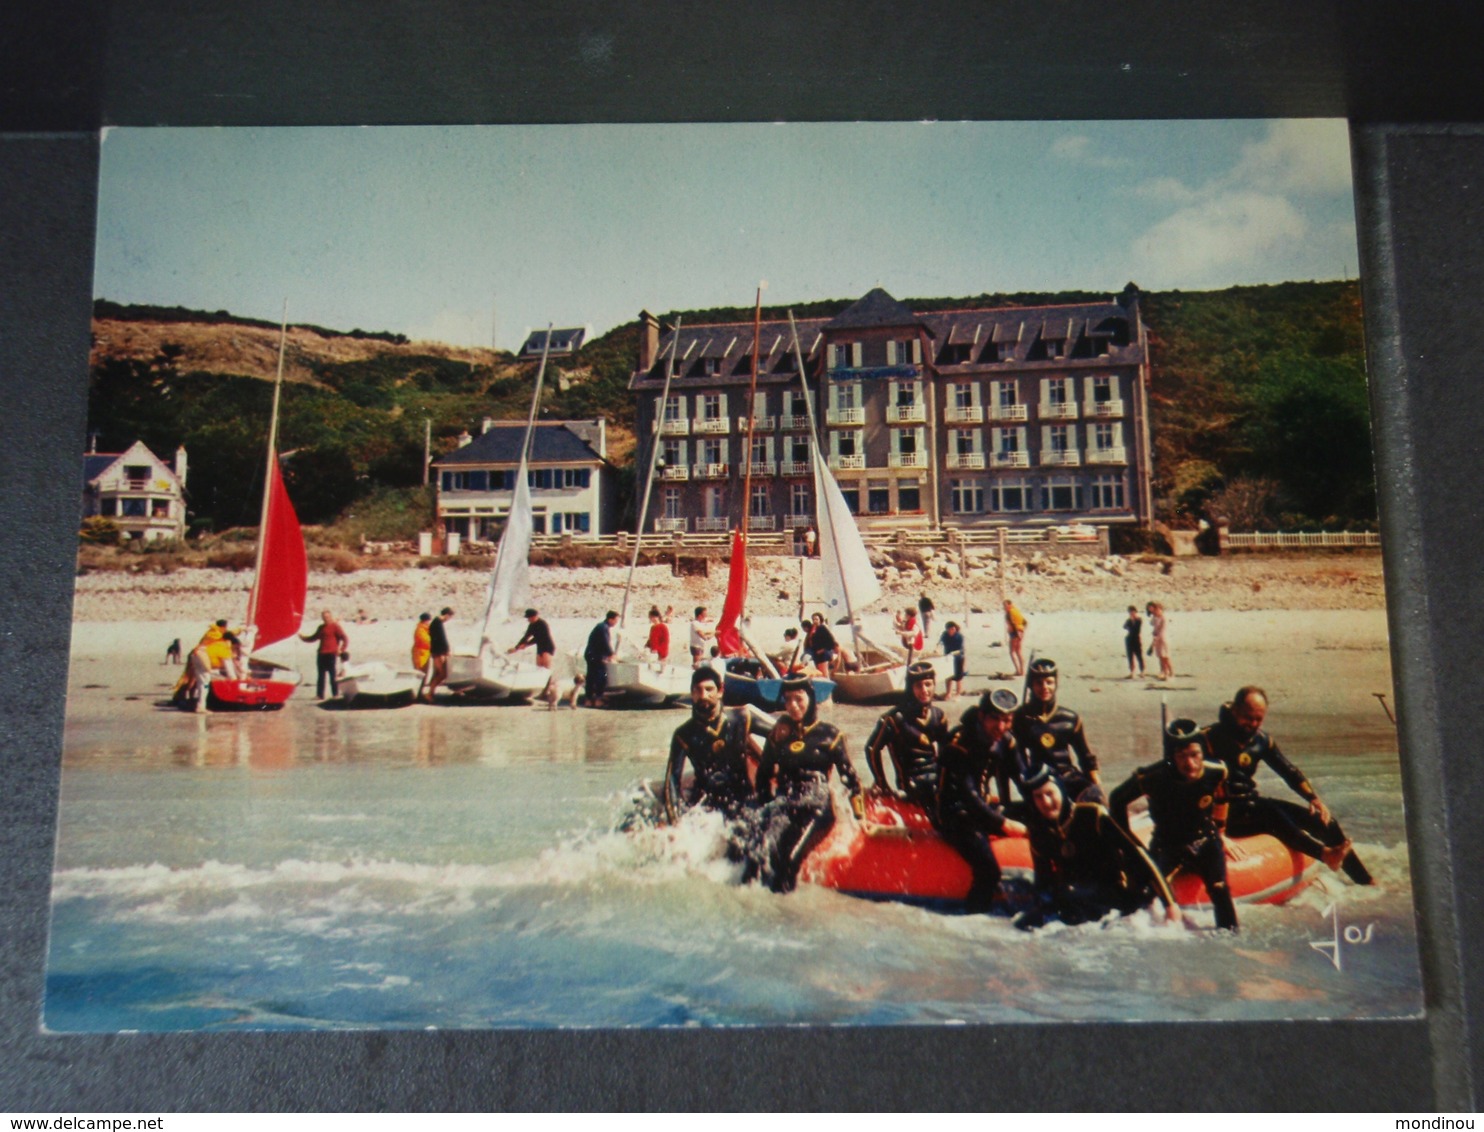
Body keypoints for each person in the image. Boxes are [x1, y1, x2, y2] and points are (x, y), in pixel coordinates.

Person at [1202, 687, 1372, 884]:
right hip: (1222, 815)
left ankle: (1364, 881)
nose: (1253, 724)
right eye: (1248, 718)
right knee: (1269, 812)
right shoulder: (1208, 738)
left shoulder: (1262, 741)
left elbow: (1288, 771)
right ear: (1235, 711)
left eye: (1259, 719)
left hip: (1251, 807)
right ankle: (1324, 854)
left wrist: (1313, 799)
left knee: (1325, 823)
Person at [1109, 719, 1238, 931]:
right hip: (1167, 844)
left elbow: (1223, 798)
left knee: (1220, 888)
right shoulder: (1152, 777)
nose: (1190, 763)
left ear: (1203, 752)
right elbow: (1116, 799)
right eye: (1182, 756)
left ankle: (1232, 940)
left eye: (1195, 754)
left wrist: (1222, 833)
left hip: (1205, 840)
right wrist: (1127, 847)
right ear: (1172, 757)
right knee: (1142, 896)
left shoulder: (1217, 771)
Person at [1019, 767, 1178, 930]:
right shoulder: (1039, 831)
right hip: (1073, 897)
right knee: (1023, 924)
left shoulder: (1092, 815)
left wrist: (1170, 904)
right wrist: (1039, 905)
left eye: (1050, 793)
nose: (1045, 802)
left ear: (1061, 790)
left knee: (1069, 895)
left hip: (1112, 893)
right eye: (1038, 797)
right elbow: (1043, 880)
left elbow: (1138, 855)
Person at [750, 675, 865, 893]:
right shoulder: (779, 734)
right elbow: (763, 775)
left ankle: (788, 917)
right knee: (760, 854)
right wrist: (766, 809)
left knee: (789, 859)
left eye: (799, 699)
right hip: (785, 804)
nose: (793, 706)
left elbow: (851, 779)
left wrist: (860, 817)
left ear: (811, 698)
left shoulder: (830, 735)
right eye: (788, 700)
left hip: (817, 808)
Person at [936, 688, 1030, 911]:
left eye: (1007, 720)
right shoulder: (959, 743)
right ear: (981, 716)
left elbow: (1025, 779)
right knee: (989, 872)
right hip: (954, 812)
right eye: (994, 719)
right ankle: (972, 923)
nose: (1000, 727)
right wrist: (1003, 824)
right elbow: (967, 796)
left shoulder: (1005, 739)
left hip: (982, 805)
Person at [663, 666, 762, 827]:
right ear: (692, 693)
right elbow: (671, 783)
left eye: (709, 689)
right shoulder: (684, 734)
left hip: (745, 800)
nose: (703, 696)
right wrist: (676, 823)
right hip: (707, 807)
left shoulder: (742, 718)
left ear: (720, 690)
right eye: (698, 690)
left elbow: (781, 736)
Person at [1011, 658, 1104, 804]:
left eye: (1049, 682)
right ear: (1031, 685)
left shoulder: (1070, 719)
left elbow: (1086, 758)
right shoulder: (1021, 718)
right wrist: (1026, 786)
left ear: (1056, 684)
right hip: (1041, 779)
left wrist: (1098, 789)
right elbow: (1018, 759)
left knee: (1094, 801)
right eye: (1038, 683)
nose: (1044, 687)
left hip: (1069, 777)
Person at [864, 662, 950, 812]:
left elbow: (946, 754)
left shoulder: (939, 716)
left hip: (935, 776)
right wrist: (882, 784)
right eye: (918, 686)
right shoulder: (895, 719)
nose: (924, 690)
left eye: (928, 684)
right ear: (911, 688)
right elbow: (872, 748)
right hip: (911, 782)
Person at [299, 609, 350, 700]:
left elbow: (345, 638)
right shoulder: (321, 627)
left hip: (331, 654)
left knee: (332, 675)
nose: (326, 619)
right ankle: (320, 695)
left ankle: (335, 694)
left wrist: (341, 650)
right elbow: (313, 637)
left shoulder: (335, 627)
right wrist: (303, 638)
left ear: (330, 617)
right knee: (321, 675)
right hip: (321, 653)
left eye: (327, 617)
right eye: (324, 617)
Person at [584, 610, 620, 706]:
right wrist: (612, 654)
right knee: (601, 677)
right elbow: (605, 643)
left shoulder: (601, 626)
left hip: (590, 654)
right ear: (610, 619)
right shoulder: (603, 628)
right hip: (595, 656)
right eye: (616, 620)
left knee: (591, 677)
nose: (616, 623)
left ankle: (588, 699)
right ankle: (598, 699)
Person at [422, 607, 454, 703]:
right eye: (450, 617)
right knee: (442, 673)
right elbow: (440, 640)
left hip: (438, 652)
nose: (449, 620)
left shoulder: (437, 623)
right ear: (447, 615)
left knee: (439, 673)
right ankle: (430, 693)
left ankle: (431, 693)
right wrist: (446, 651)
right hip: (438, 653)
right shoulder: (437, 623)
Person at [804, 613, 839, 678]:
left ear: (820, 620)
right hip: (817, 654)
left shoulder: (822, 628)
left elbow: (831, 641)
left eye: (816, 619)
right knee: (820, 672)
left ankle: (827, 686)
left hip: (823, 654)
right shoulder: (814, 629)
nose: (815, 621)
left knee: (823, 673)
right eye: (813, 619)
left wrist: (823, 650)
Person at [938, 620, 966, 700]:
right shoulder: (944, 635)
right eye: (949, 629)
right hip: (947, 657)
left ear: (955, 629)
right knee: (948, 676)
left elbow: (961, 650)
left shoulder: (959, 636)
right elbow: (940, 643)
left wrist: (953, 653)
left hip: (958, 657)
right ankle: (948, 693)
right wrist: (937, 649)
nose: (951, 631)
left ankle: (958, 694)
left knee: (958, 677)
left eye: (953, 629)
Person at [1147, 601, 1173, 680]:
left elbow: (1162, 630)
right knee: (1161, 657)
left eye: (1158, 610)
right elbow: (1152, 624)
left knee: (1166, 657)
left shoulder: (1164, 618)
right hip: (1157, 639)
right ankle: (1165, 673)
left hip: (1163, 639)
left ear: (1161, 609)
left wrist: (1156, 638)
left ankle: (1171, 673)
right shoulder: (1155, 618)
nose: (1156, 611)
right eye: (1156, 610)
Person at [1003, 599, 1027, 676]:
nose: (1004, 607)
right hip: (1020, 631)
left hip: (1014, 633)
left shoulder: (1009, 613)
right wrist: (1022, 631)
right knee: (1019, 651)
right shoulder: (1016, 611)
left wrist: (1017, 633)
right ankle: (1022, 671)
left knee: (1012, 651)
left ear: (1009, 605)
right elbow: (1025, 622)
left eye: (1005, 605)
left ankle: (1018, 670)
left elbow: (1012, 623)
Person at [1123, 605, 1145, 679]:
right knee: (1130, 656)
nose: (1131, 613)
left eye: (1133, 612)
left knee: (1139, 655)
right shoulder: (1129, 620)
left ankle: (1142, 671)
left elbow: (1136, 629)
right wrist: (1130, 622)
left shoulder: (1139, 620)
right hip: (1129, 639)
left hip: (1136, 639)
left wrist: (1131, 623)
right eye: (1130, 612)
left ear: (1135, 612)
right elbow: (1124, 626)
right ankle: (1132, 672)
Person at [411, 612, 432, 682]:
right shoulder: (420, 630)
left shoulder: (425, 629)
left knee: (424, 672)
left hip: (424, 653)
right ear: (426, 620)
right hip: (420, 653)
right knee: (420, 672)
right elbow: (426, 641)